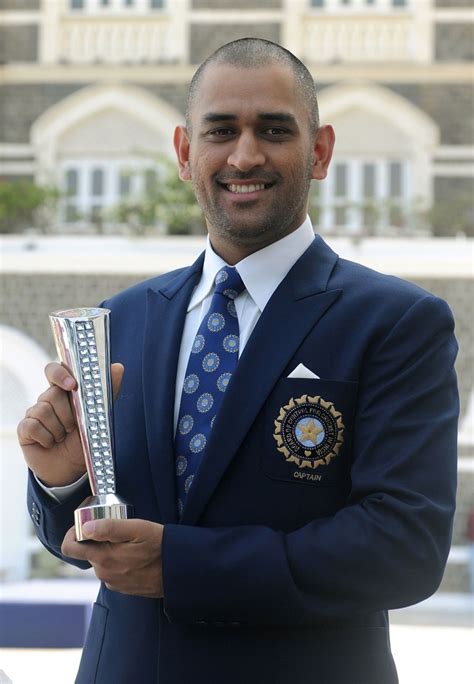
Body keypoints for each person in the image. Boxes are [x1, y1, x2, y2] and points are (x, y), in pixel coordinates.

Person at [17, 38, 458, 684]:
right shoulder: (125, 320)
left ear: (320, 151)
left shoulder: (394, 323)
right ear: (184, 152)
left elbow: (403, 548)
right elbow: (91, 542)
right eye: (221, 130)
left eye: (274, 130)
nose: (245, 155)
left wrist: (180, 565)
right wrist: (63, 485)